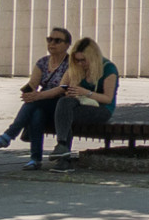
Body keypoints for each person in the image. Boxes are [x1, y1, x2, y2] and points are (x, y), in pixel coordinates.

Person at [0, 28, 71, 153]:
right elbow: (33, 83)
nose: (52, 43)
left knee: (33, 104)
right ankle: (35, 159)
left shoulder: (71, 63)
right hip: (41, 102)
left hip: (61, 103)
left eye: (57, 40)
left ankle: (9, 134)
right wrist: (28, 93)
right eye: (49, 39)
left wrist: (37, 96)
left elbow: (63, 89)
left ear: (67, 45)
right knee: (36, 114)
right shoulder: (43, 62)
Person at [47, 36, 120, 169]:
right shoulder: (77, 68)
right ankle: (62, 147)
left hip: (101, 109)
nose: (80, 63)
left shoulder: (108, 69)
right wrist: (70, 91)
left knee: (66, 114)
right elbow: (62, 87)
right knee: (64, 103)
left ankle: (63, 155)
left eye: (83, 60)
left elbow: (108, 99)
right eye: (77, 60)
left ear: (93, 57)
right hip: (80, 105)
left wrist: (85, 92)